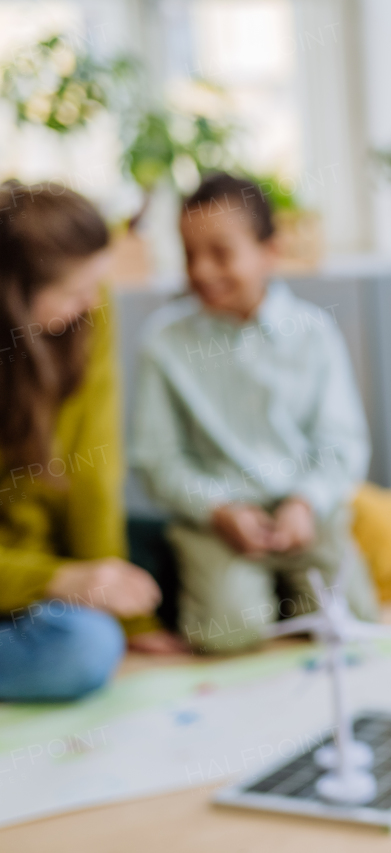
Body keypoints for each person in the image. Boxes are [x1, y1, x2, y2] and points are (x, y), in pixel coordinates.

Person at [131, 173, 378, 654]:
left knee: (354, 624)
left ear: (270, 251)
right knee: (228, 634)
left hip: (304, 514)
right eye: (189, 254)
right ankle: (252, 590)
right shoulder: (164, 341)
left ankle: (287, 590)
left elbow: (341, 443)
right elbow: (157, 459)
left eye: (221, 253)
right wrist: (219, 509)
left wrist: (305, 502)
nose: (201, 271)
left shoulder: (313, 332)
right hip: (218, 519)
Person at [0, 182, 181, 703]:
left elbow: (95, 475)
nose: (90, 304)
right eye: (74, 292)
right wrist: (61, 581)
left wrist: (125, 610)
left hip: (44, 564)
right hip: (28, 574)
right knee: (81, 651)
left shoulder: (91, 306)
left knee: (177, 556)